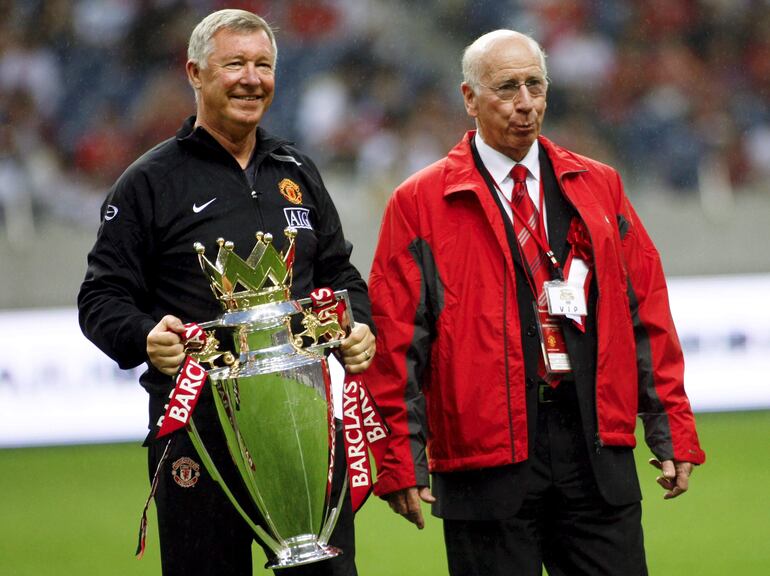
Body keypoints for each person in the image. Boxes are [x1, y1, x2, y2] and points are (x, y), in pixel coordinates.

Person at [366, 29, 705, 576]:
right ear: (469, 98)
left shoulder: (600, 186)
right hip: (484, 459)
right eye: (506, 88)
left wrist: (670, 427)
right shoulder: (419, 204)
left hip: (594, 448)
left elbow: (646, 313)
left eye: (535, 85)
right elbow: (397, 342)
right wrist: (400, 459)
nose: (525, 103)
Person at [78, 9, 375, 576]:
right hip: (196, 429)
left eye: (263, 65)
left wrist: (356, 325)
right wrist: (145, 336)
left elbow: (341, 274)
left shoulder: (297, 169)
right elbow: (101, 299)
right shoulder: (148, 182)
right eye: (234, 63)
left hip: (302, 421)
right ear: (194, 72)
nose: (251, 78)